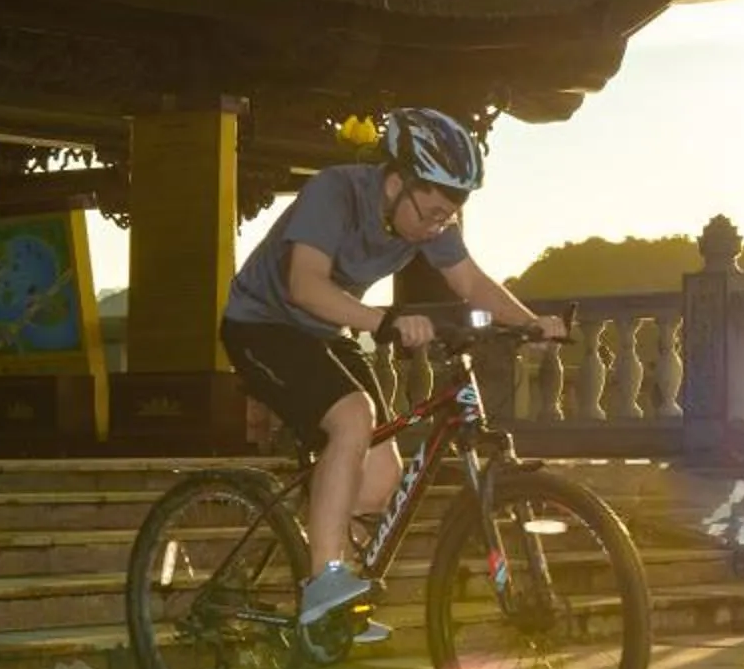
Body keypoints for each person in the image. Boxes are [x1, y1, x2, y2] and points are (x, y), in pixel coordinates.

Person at [218, 107, 566, 633]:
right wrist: (383, 320)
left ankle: (330, 592)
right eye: (431, 210)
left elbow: (470, 282)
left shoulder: (429, 221)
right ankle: (322, 582)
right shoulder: (334, 193)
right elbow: (304, 285)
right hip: (261, 324)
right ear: (397, 181)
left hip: (325, 333)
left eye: (449, 213)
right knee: (353, 417)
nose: (437, 224)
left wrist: (531, 323)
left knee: (382, 478)